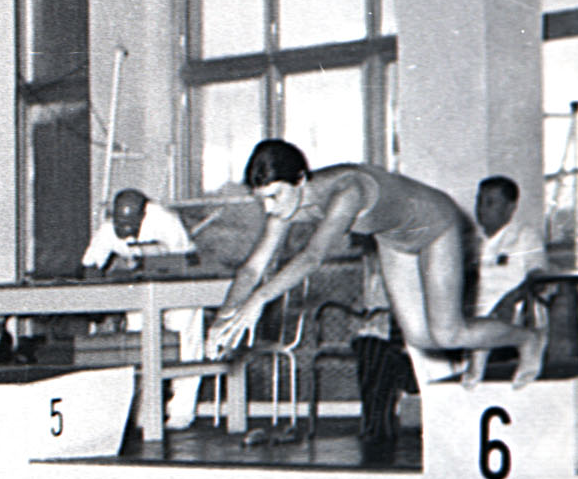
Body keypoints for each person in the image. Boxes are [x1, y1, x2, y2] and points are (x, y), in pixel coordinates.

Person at [204, 141, 547, 388]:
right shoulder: (283, 206)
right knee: (421, 337)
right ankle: (483, 340)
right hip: (394, 239)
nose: (269, 209)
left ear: (301, 180)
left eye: (274, 196)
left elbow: (312, 256)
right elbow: (252, 268)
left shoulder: (347, 191)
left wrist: (258, 300)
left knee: (448, 333)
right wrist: (223, 319)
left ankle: (529, 339)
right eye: (262, 200)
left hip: (437, 227)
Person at [83, 188, 205, 428]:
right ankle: (145, 410)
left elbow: (183, 262)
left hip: (181, 286)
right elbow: (91, 264)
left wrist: (149, 265)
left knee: (185, 346)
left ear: (143, 214)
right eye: (119, 221)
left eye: (129, 222)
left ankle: (181, 411)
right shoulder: (108, 229)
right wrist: (93, 298)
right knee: (137, 345)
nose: (123, 228)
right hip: (143, 290)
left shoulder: (166, 220)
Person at [471, 175, 546, 321]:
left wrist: (510, 300)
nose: (481, 208)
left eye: (490, 202)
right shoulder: (472, 240)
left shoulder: (526, 236)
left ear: (510, 208)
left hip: (512, 319)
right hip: (476, 321)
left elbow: (539, 279)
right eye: (479, 201)